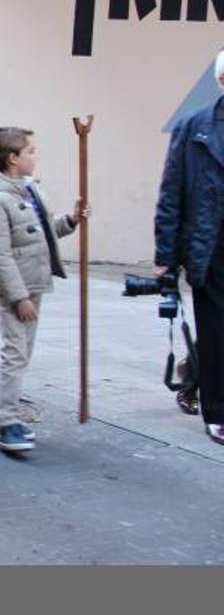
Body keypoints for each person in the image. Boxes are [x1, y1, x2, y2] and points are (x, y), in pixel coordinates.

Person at [0, 127, 85, 452]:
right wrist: (19, 297)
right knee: (16, 353)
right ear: (12, 159)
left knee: (22, 352)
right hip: (15, 289)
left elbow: (42, 233)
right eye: (31, 151)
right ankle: (8, 420)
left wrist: (72, 220)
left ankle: (1, 409)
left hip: (33, 281)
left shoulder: (28, 191)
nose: (35, 157)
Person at [156, 48, 224, 446]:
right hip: (210, 248)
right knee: (216, 332)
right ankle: (216, 411)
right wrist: (165, 256)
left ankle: (193, 378)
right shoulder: (194, 128)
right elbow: (171, 194)